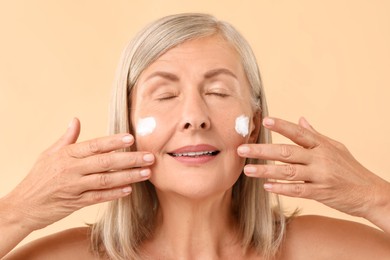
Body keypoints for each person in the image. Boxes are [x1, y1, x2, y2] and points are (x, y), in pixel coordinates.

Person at [1, 13, 389, 259]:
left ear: (253, 123)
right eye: (166, 95)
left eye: (218, 93)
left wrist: (373, 196)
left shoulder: (320, 251)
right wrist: (18, 210)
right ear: (128, 127)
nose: (194, 118)